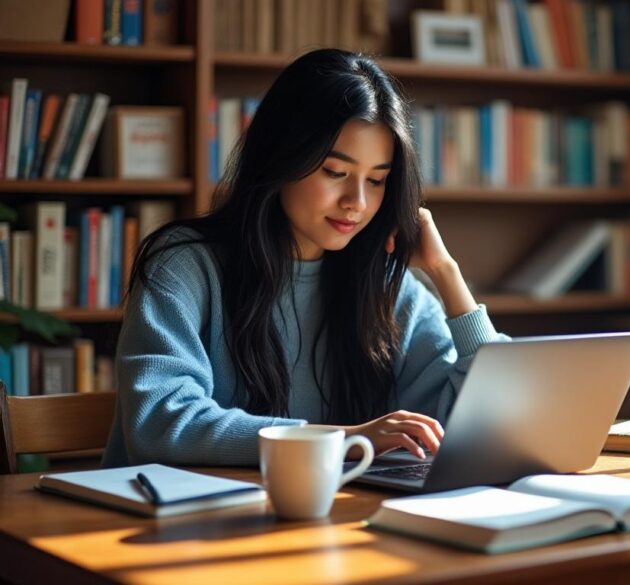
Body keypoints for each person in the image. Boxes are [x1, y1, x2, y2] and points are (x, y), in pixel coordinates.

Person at [102, 49, 508, 467]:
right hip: (176, 522)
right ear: (283, 155)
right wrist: (344, 439)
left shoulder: (387, 288)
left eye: (377, 180)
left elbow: (492, 417)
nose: (357, 202)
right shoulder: (185, 267)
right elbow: (160, 420)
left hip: (318, 521)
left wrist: (446, 274)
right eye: (335, 173)